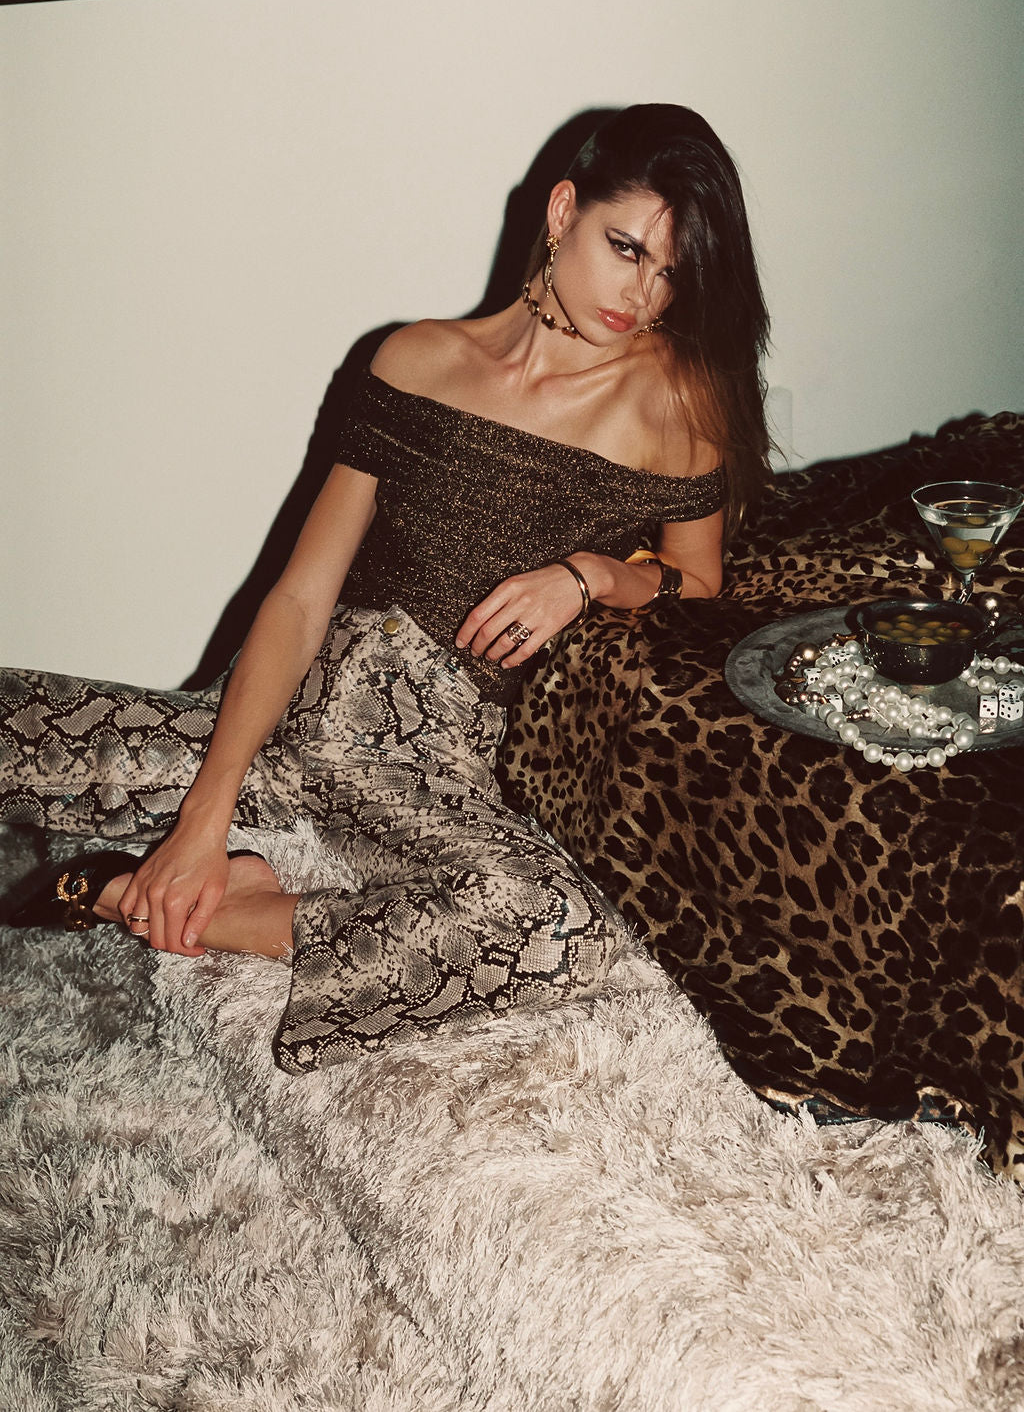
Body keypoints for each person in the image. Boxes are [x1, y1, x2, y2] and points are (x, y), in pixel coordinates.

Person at [1, 103, 771, 1072]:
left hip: (427, 752)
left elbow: (699, 586)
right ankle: (220, 845)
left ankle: (137, 894)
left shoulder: (676, 399)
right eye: (627, 249)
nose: (643, 294)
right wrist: (204, 817)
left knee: (552, 923)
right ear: (562, 210)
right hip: (298, 704)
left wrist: (593, 576)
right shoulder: (415, 357)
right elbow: (299, 598)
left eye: (671, 272)